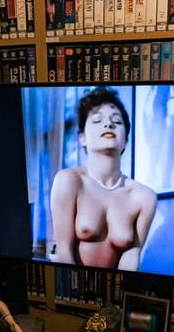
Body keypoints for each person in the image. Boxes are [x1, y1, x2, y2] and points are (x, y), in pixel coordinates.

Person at [49, 87, 157, 271]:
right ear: (82, 138)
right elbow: (64, 251)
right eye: (97, 120)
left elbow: (132, 256)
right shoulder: (69, 181)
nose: (108, 124)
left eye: (117, 121)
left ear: (126, 140)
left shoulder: (144, 197)